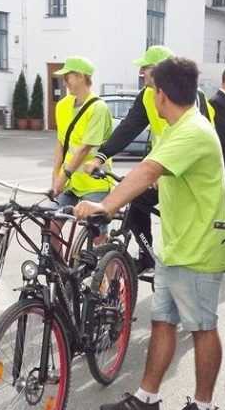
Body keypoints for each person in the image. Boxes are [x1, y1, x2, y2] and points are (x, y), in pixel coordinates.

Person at [75, 56, 225, 410]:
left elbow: (150, 169)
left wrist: (106, 206)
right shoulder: (175, 129)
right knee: (163, 321)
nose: (150, 96)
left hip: (199, 249)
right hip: (177, 246)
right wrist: (116, 186)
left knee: (202, 327)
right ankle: (147, 398)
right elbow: (148, 172)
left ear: (161, 94)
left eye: (151, 90)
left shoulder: (194, 130)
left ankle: (205, 404)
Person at [83, 45, 214, 275]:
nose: (141, 72)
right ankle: (148, 256)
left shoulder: (192, 96)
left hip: (187, 169)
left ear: (160, 70)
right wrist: (101, 156)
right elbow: (128, 127)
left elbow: (199, 139)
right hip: (160, 165)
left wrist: (163, 172)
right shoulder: (147, 96)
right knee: (136, 203)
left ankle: (181, 262)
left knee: (182, 219)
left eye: (145, 68)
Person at [49, 56, 113, 244]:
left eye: (67, 76)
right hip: (69, 182)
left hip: (94, 183)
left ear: (81, 77)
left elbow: (85, 148)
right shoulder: (62, 106)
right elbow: (62, 143)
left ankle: (110, 273)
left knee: (98, 237)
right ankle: (61, 273)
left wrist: (61, 178)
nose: (64, 81)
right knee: (51, 228)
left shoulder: (98, 108)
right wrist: (55, 175)